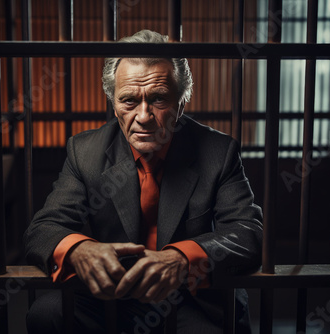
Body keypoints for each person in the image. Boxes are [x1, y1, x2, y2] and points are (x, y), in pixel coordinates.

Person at [24, 29, 263, 334]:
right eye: (129, 101)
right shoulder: (85, 152)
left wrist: (181, 258)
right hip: (113, 295)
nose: (144, 115)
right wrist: (79, 250)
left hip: (191, 298)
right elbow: (43, 229)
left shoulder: (218, 151)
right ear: (113, 104)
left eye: (159, 99)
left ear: (181, 104)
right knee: (46, 315)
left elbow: (247, 233)